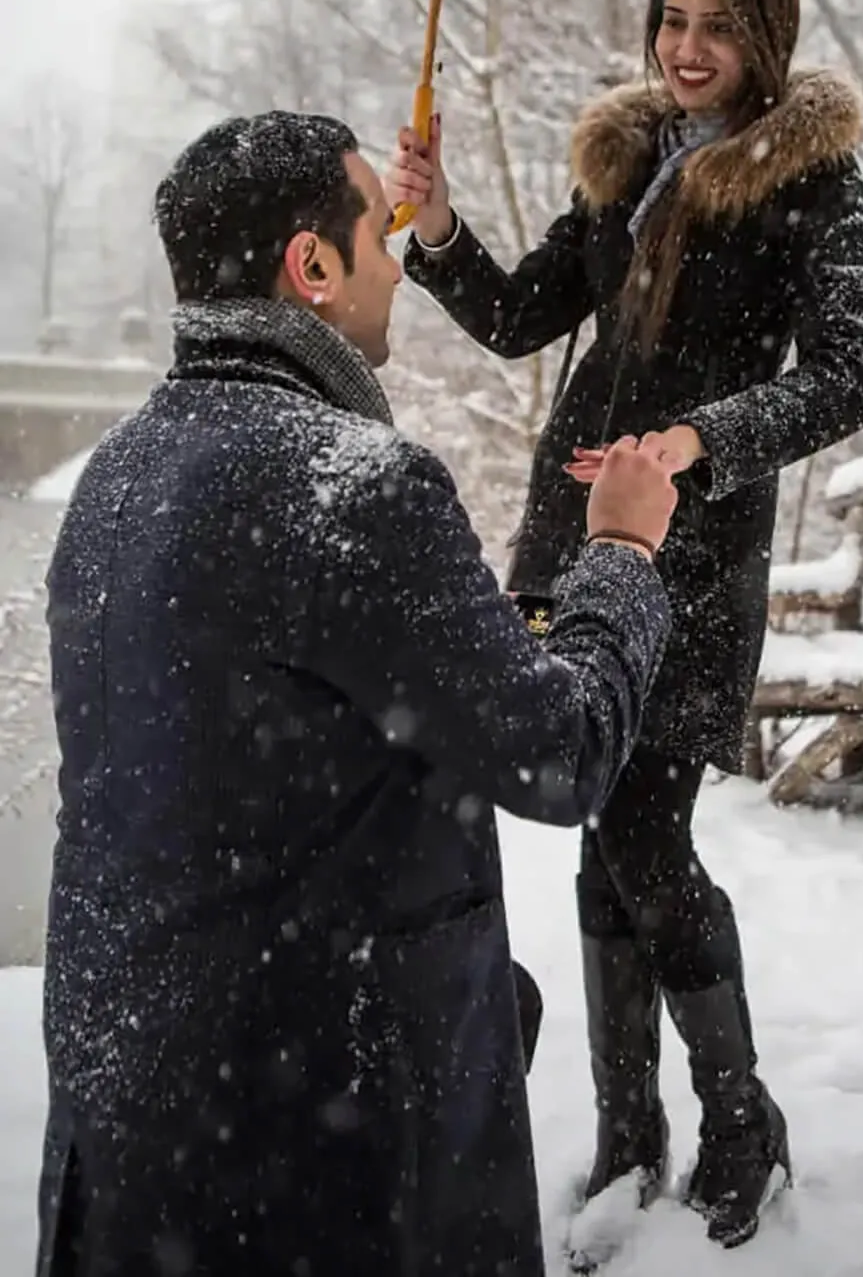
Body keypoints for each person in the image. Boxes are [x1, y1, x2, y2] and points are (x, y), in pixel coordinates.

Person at [36, 111, 680, 1277]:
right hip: (320, 1164)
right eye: (378, 232)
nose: (396, 262)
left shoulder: (113, 480)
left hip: (134, 1132)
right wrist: (622, 557)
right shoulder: (353, 487)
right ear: (314, 267)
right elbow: (563, 749)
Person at [388, 0, 863, 1251]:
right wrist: (435, 226)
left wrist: (698, 440)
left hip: (700, 546)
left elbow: (850, 373)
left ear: (763, 39)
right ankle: (629, 1126)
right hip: (576, 535)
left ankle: (737, 1117)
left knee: (645, 833)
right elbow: (514, 311)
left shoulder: (814, 177)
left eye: (718, 23)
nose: (687, 46)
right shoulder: (623, 165)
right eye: (673, 17)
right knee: (604, 829)